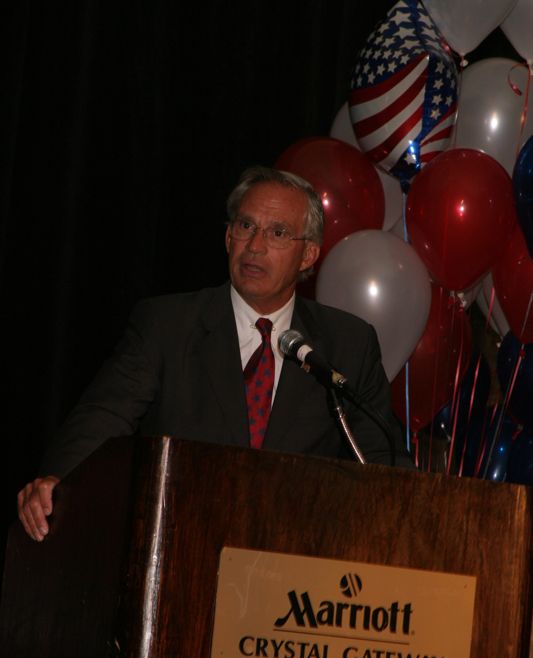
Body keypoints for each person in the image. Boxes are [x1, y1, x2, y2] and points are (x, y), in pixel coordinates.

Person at [17, 165, 412, 541]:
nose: (255, 246)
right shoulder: (167, 325)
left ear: (308, 255)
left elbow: (380, 459)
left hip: (296, 562)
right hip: (183, 542)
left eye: (277, 233)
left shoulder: (346, 343)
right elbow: (103, 417)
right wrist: (58, 480)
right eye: (245, 226)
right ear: (227, 238)